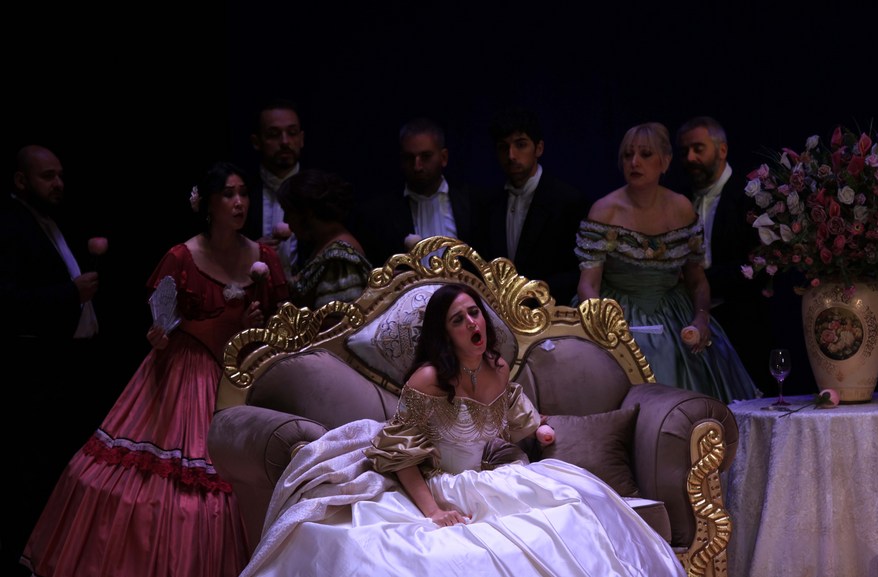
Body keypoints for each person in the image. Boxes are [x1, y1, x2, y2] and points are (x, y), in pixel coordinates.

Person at [236, 283, 685, 577]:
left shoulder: (498, 367)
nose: (472, 323)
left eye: (474, 313)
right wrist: (433, 510)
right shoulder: (429, 379)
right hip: (432, 481)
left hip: (485, 478)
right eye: (458, 319)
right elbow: (402, 456)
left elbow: (517, 416)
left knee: (571, 514)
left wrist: (540, 430)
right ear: (444, 333)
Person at [20, 161, 290, 577]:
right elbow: (164, 319)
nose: (239, 203)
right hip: (185, 372)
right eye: (228, 194)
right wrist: (160, 334)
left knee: (244, 475)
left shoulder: (263, 256)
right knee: (169, 483)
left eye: (243, 194)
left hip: (241, 373)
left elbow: (280, 320)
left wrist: (257, 323)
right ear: (207, 204)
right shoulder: (182, 257)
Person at [575, 122, 758, 403]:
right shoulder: (604, 211)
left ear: (665, 161)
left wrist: (701, 318)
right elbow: (588, 285)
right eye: (628, 155)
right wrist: (603, 324)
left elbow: (697, 280)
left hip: (674, 314)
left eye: (645, 154)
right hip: (619, 312)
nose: (634, 162)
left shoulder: (681, 208)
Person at [0, 145, 107, 576]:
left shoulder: (49, 221)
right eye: (47, 176)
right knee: (35, 470)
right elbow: (7, 302)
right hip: (35, 371)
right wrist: (70, 293)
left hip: (67, 364)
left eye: (60, 175)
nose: (58, 184)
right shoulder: (10, 225)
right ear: (21, 180)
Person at [675, 116, 774, 393]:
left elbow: (758, 266)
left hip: (742, 321)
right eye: (684, 151)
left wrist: (699, 281)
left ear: (722, 150)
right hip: (689, 320)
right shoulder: (678, 200)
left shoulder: (751, 198)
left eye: (698, 148)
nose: (690, 158)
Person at [484, 106, 589, 305]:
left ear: (539, 148)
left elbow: (579, 271)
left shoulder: (567, 200)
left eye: (520, 145)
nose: (511, 155)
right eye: (503, 147)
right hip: (499, 311)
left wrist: (532, 293)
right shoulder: (489, 203)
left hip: (551, 311)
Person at [353, 117, 487, 265]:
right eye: (409, 158)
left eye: (426, 156)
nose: (417, 167)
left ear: (444, 157)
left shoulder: (474, 204)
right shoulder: (380, 214)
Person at [277, 168, 371, 315]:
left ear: (307, 213)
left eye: (288, 212)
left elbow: (338, 323)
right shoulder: (325, 245)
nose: (285, 220)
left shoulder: (339, 257)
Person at [246, 97, 305, 279]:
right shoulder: (242, 192)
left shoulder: (321, 192)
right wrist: (248, 252)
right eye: (274, 134)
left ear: (301, 139)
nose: (285, 141)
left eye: (292, 133)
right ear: (256, 142)